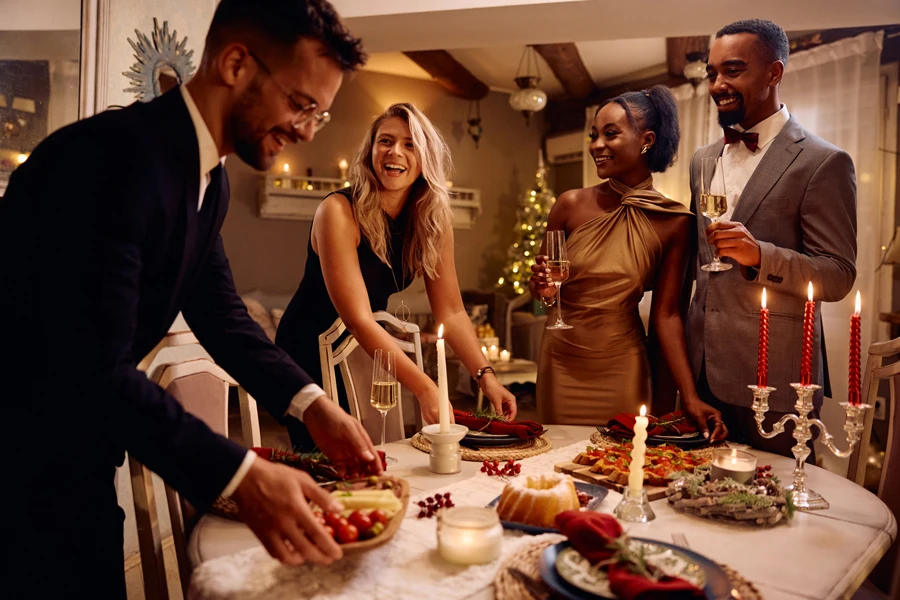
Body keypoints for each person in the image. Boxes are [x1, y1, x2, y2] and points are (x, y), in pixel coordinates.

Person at [0, 1, 383, 597]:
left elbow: (223, 316)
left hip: (80, 462)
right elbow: (92, 368)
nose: (308, 130)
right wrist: (241, 474)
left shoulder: (212, 178)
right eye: (302, 104)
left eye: (321, 115)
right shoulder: (110, 160)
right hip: (17, 470)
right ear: (235, 63)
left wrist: (311, 405)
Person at [276, 102, 517, 450]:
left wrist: (487, 377)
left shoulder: (432, 221)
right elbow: (358, 319)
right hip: (310, 352)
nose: (395, 152)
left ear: (425, 158)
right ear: (371, 151)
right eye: (385, 141)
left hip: (364, 350)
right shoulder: (338, 211)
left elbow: (451, 311)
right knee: (333, 462)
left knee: (376, 458)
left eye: (410, 144)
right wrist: (424, 386)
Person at [686, 19, 857, 458]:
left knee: (775, 512)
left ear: (774, 73)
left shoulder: (823, 162)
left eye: (734, 70)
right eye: (712, 73)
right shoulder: (702, 160)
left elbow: (837, 275)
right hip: (701, 376)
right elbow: (696, 258)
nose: (718, 84)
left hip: (777, 382)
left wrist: (759, 254)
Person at [529, 85, 726, 441]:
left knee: (623, 470)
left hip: (623, 365)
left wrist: (690, 397)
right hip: (561, 362)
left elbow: (667, 315)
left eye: (610, 134)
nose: (596, 146)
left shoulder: (674, 222)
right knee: (559, 467)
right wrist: (543, 290)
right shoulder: (569, 205)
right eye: (593, 135)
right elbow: (546, 295)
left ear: (646, 140)